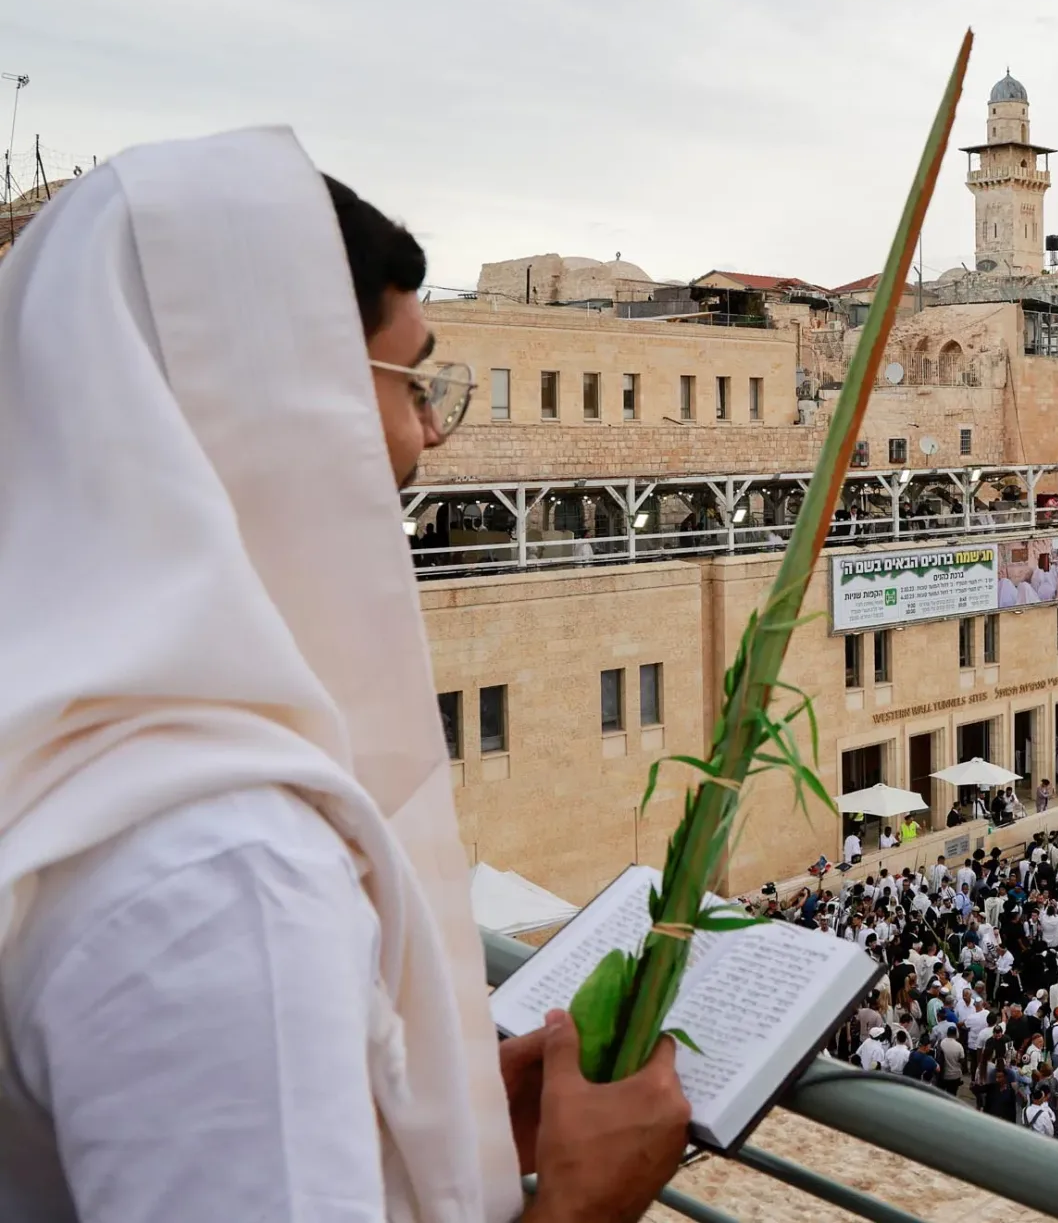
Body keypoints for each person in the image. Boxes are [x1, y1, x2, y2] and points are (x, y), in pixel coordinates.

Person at [0, 130, 691, 1221]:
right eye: (409, 380)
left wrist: (411, 1131)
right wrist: (583, 1203)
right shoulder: (224, 876)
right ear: (278, 398)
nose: (431, 433)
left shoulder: (71, 758)